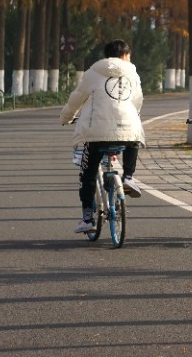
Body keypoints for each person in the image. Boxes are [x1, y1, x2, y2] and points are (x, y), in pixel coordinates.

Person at [61, 38, 145, 234]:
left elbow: (76, 99)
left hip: (96, 134)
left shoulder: (92, 73)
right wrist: (134, 117)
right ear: (125, 55)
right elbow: (138, 101)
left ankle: (88, 218)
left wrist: (66, 117)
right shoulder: (132, 73)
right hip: (127, 130)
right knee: (134, 135)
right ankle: (128, 177)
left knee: (87, 173)